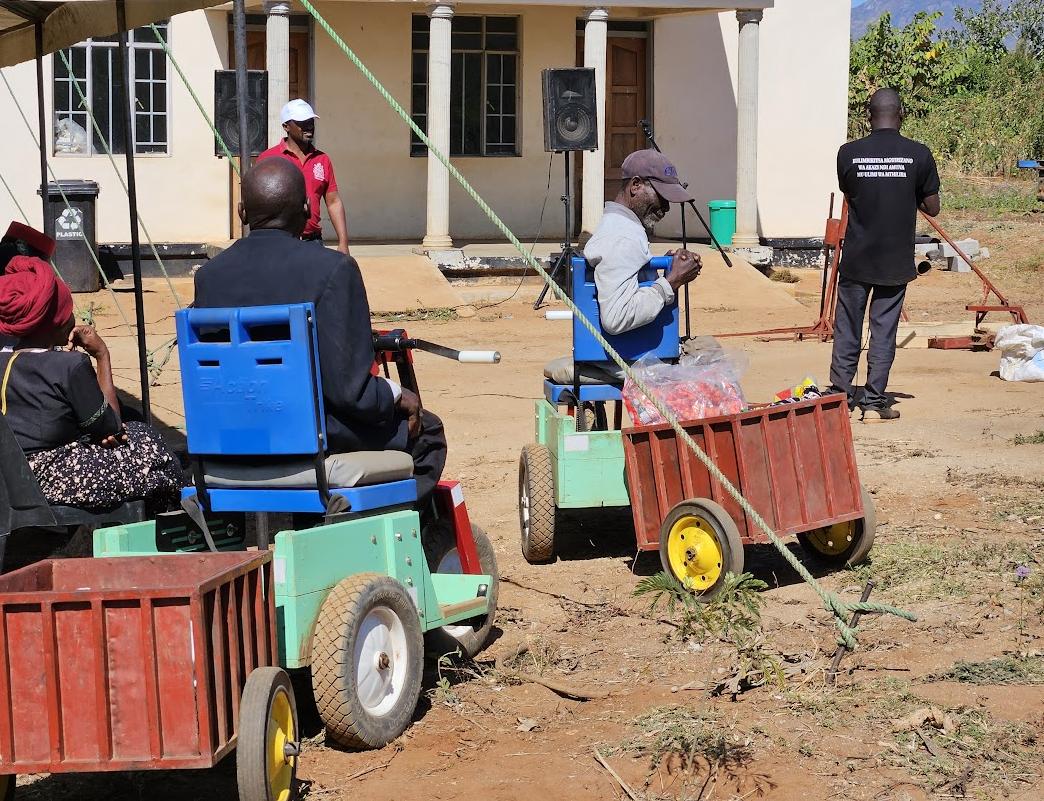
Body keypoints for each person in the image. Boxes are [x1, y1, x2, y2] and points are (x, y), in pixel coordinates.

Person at [193, 159, 447, 502]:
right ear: (307, 209)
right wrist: (397, 395)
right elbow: (350, 392)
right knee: (428, 430)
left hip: (231, 439)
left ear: (242, 212)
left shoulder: (210, 277)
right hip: (313, 438)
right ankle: (392, 531)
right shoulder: (333, 269)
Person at [0, 225, 184, 511]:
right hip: (49, 480)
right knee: (148, 443)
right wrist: (102, 355)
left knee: (140, 441)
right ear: (58, 320)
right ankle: (172, 522)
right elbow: (112, 426)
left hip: (9, 477)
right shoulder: (69, 365)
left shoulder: (9, 360)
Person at [544, 149, 703, 386]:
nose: (666, 208)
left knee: (706, 349)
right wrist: (671, 282)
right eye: (662, 197)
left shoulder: (621, 228)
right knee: (714, 370)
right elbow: (616, 318)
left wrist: (666, 269)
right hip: (628, 360)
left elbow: (628, 282)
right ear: (636, 185)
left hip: (630, 353)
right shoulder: (623, 237)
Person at [829, 88, 941, 422]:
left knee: (847, 326)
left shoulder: (848, 153)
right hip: (895, 261)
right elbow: (932, 207)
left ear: (868, 115)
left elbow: (852, 192)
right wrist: (910, 192)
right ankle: (875, 402)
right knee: (884, 330)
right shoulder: (918, 154)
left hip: (857, 258)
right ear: (902, 114)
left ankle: (839, 398)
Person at [257, 99, 350, 255]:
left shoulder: (322, 159)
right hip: (278, 243)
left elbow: (333, 202)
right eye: (302, 122)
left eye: (310, 120)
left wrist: (343, 242)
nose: (309, 126)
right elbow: (258, 203)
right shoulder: (268, 158)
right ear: (286, 126)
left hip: (313, 242)